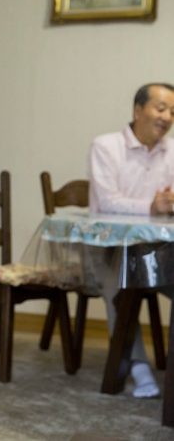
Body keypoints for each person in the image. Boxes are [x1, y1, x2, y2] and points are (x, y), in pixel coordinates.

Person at [87, 82, 174, 398]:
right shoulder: (105, 146)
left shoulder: (172, 150)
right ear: (138, 110)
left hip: (157, 252)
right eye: (160, 108)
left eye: (173, 112)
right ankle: (137, 365)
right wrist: (152, 206)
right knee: (119, 284)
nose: (167, 117)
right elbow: (107, 202)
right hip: (108, 247)